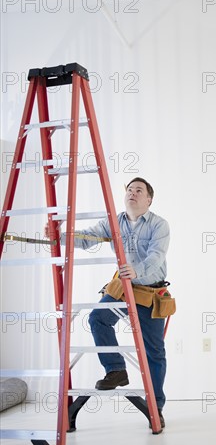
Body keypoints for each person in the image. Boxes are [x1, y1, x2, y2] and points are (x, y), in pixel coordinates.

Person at [45, 177, 170, 427]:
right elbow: (86, 238)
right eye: (130, 190)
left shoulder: (159, 225)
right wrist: (59, 236)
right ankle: (116, 370)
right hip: (123, 286)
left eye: (139, 190)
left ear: (149, 199)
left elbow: (157, 257)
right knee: (98, 318)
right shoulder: (113, 222)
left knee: (153, 351)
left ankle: (156, 406)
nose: (132, 193)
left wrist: (137, 271)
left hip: (149, 291)